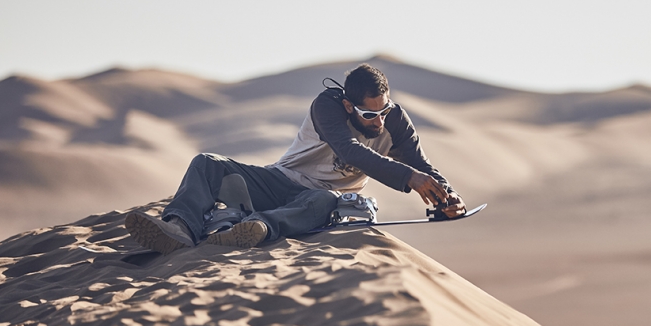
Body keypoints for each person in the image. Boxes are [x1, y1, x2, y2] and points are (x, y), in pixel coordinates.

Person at [125, 64, 465, 254]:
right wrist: (409, 179)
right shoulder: (327, 107)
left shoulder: (394, 121)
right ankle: (179, 227)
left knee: (325, 200)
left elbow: (421, 164)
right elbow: (350, 151)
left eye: (384, 111)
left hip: (317, 199)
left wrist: (447, 196)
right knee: (206, 163)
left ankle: (254, 229)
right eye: (368, 113)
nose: (378, 121)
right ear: (349, 106)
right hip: (277, 183)